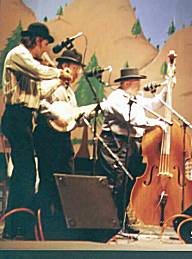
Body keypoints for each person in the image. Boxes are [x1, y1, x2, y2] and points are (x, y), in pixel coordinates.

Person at [1, 22, 72, 240]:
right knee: (26, 171)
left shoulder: (29, 62)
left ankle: (16, 226)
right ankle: (16, 224)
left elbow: (39, 90)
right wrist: (58, 71)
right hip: (15, 116)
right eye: (44, 45)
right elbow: (39, 71)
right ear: (39, 41)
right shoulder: (18, 55)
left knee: (25, 171)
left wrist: (59, 79)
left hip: (24, 118)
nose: (45, 51)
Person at [97, 67, 167, 231]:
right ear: (128, 83)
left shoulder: (134, 97)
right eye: (137, 81)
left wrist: (167, 87)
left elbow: (153, 104)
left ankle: (121, 221)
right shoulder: (116, 97)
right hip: (115, 143)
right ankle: (111, 223)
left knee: (128, 183)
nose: (140, 84)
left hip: (131, 143)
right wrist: (156, 123)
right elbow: (132, 119)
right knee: (116, 182)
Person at [32, 49, 85, 237]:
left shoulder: (70, 91)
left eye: (79, 68)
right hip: (47, 136)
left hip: (63, 138)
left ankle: (63, 226)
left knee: (66, 180)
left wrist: (79, 116)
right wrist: (59, 115)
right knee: (48, 180)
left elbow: (71, 115)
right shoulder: (50, 84)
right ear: (65, 67)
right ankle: (45, 226)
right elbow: (41, 104)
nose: (78, 72)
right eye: (76, 68)